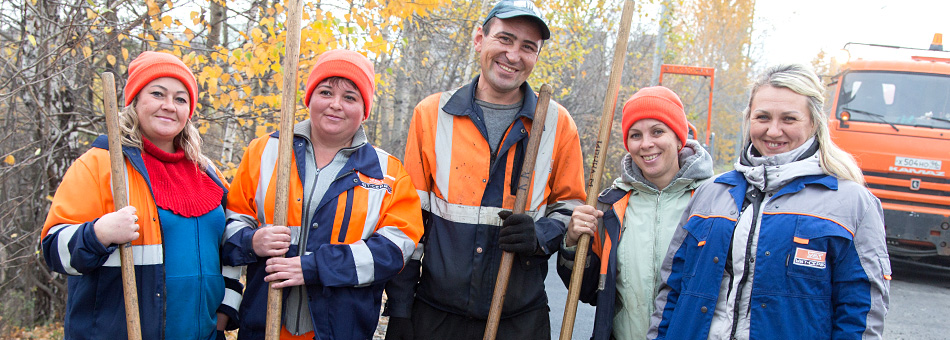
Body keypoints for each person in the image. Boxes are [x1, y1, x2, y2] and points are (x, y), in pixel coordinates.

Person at [383, 1, 587, 339]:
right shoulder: (432, 115)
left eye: (528, 47)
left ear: (536, 56)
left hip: (520, 320)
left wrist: (541, 235)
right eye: (505, 39)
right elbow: (408, 219)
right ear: (480, 39)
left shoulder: (556, 124)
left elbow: (573, 208)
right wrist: (401, 308)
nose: (514, 54)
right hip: (437, 316)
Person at [647, 64, 891, 339]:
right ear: (749, 119)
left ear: (814, 122)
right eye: (762, 117)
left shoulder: (851, 203)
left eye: (789, 119)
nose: (773, 131)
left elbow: (862, 310)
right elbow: (672, 289)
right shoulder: (711, 192)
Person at [221, 49, 424, 340]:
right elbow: (230, 225)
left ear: (364, 109)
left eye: (350, 97)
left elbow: (394, 250)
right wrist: (252, 240)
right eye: (326, 92)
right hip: (265, 323)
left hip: (341, 328)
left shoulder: (387, 172)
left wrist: (317, 267)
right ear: (310, 98)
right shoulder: (266, 151)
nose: (335, 105)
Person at [41, 51, 241, 339]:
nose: (169, 106)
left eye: (180, 99)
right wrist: (98, 234)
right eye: (157, 94)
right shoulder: (101, 164)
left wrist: (224, 312)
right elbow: (54, 251)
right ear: (134, 101)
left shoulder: (207, 172)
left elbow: (232, 251)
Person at [557, 86, 714, 340]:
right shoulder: (611, 206)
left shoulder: (713, 201)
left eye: (658, 131)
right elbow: (586, 291)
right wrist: (573, 243)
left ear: (679, 137)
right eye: (635, 135)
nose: (646, 144)